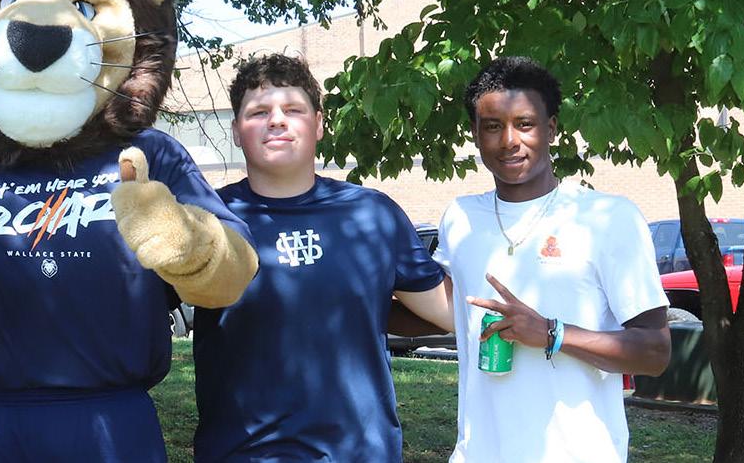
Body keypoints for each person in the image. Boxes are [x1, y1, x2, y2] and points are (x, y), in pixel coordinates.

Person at [192, 53, 453, 462]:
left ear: (318, 124)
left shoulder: (372, 215)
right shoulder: (207, 220)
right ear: (237, 131)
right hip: (244, 453)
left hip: (359, 453)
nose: (277, 121)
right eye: (258, 112)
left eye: (293, 109)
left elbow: (451, 313)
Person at [435, 56, 671, 462]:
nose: (509, 140)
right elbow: (442, 309)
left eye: (525, 124)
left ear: (552, 129)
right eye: (492, 126)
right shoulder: (460, 218)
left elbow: (655, 352)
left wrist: (550, 333)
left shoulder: (607, 218)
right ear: (475, 134)